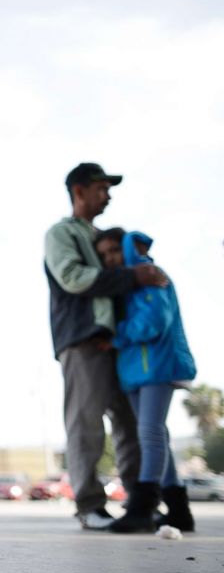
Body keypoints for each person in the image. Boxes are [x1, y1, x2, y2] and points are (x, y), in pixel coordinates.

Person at [43, 164, 167, 530]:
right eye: (100, 188)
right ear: (79, 192)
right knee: (86, 423)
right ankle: (90, 505)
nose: (108, 195)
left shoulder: (105, 236)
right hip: (83, 340)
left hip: (120, 342)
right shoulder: (61, 233)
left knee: (131, 424)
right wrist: (130, 276)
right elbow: (72, 277)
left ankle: (139, 503)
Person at [94, 228, 197, 533]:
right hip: (135, 369)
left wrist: (117, 335)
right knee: (157, 436)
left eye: (114, 251)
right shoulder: (126, 284)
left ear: (131, 247)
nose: (110, 259)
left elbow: (154, 322)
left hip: (157, 365)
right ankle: (178, 510)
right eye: (104, 256)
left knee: (150, 433)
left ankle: (142, 506)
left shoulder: (150, 276)